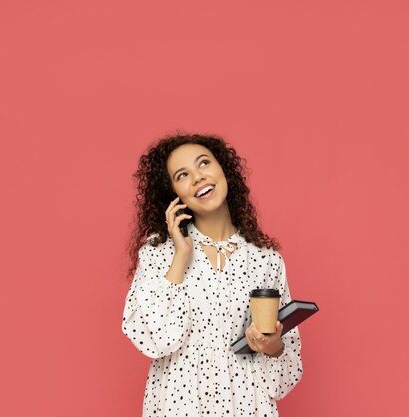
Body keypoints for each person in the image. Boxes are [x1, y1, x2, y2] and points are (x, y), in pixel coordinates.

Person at [122, 133, 303, 416]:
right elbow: (154, 340)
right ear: (173, 194)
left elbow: (285, 379)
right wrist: (181, 257)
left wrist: (272, 346)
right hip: (178, 407)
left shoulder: (266, 260)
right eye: (182, 175)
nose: (197, 177)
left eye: (204, 163)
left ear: (224, 170)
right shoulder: (159, 253)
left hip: (247, 406)